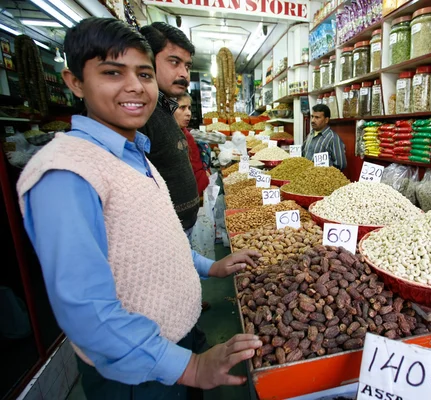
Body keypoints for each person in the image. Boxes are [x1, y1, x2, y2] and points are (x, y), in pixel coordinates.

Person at [16, 18, 262, 399]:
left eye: (144, 74)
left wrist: (210, 267)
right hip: (137, 375)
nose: (134, 86)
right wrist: (190, 366)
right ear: (75, 81)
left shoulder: (134, 154)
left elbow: (158, 240)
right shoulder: (65, 172)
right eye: (112, 72)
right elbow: (88, 313)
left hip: (176, 342)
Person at [139, 22, 200, 237]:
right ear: (146, 60)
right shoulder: (141, 114)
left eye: (188, 66)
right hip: (163, 232)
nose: (184, 73)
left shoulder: (164, 107)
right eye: (174, 62)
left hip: (181, 227)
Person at [173, 92, 210, 198]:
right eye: (182, 108)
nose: (188, 113)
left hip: (196, 190)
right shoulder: (172, 136)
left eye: (189, 108)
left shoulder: (185, 133)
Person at [302, 104, 347, 170]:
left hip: (322, 178)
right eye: (312, 117)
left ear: (326, 120)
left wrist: (325, 173)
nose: (313, 120)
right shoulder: (310, 134)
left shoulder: (333, 138)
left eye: (317, 117)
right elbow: (303, 153)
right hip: (306, 176)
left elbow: (341, 164)